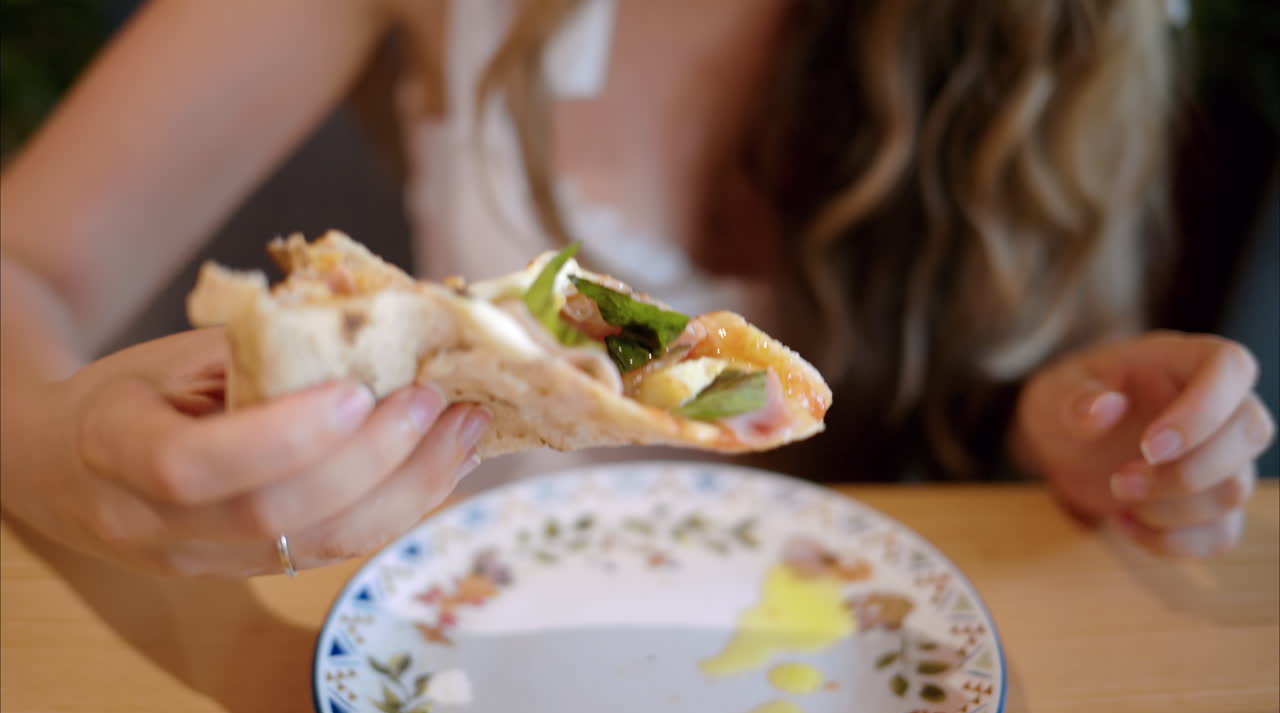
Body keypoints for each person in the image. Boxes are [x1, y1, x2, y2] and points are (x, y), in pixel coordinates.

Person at [0, 0, 1272, 578]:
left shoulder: (1058, 26)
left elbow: (1020, 400)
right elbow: (24, 264)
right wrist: (63, 448)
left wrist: (1079, 427)